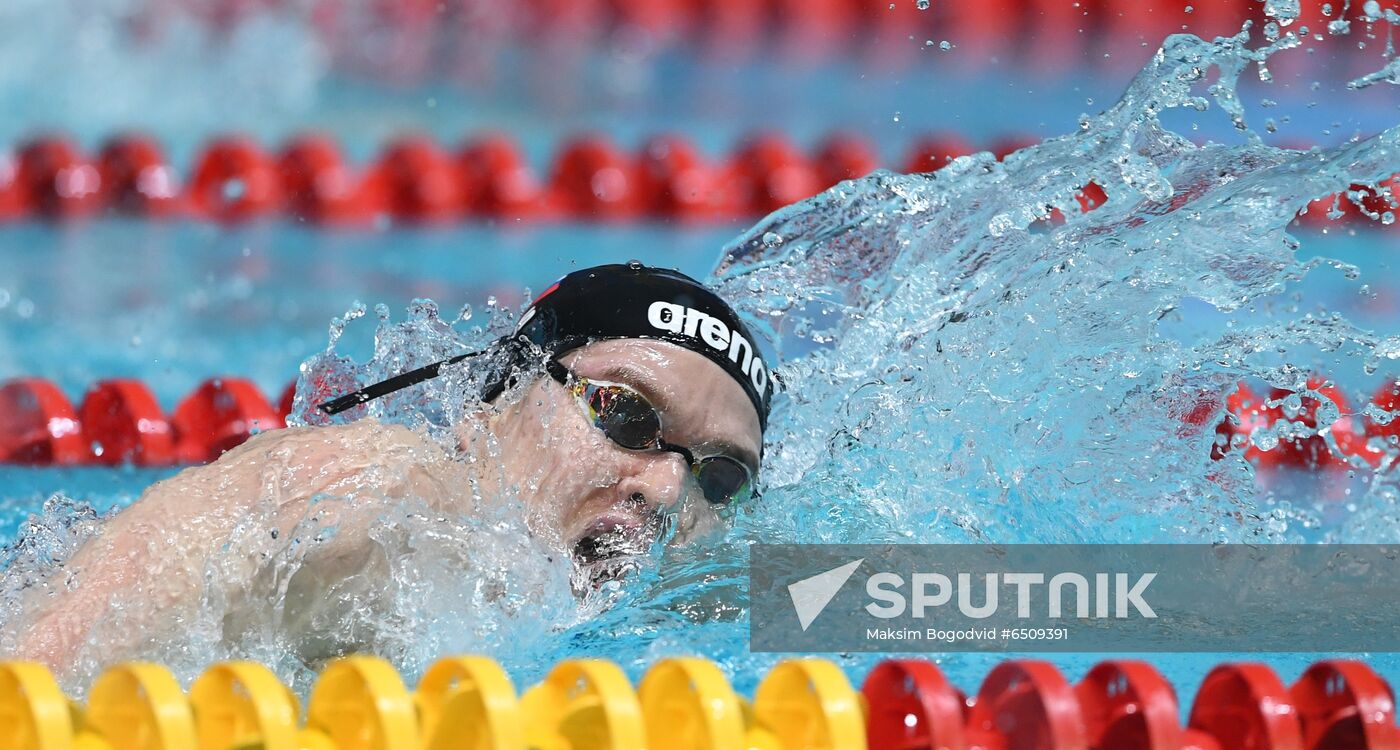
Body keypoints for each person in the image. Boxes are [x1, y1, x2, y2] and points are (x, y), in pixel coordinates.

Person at [3, 262, 773, 675]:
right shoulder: (381, 494)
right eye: (626, 415)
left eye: (719, 480)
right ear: (494, 402)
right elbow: (33, 672)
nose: (669, 489)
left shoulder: (674, 583)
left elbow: (887, 597)